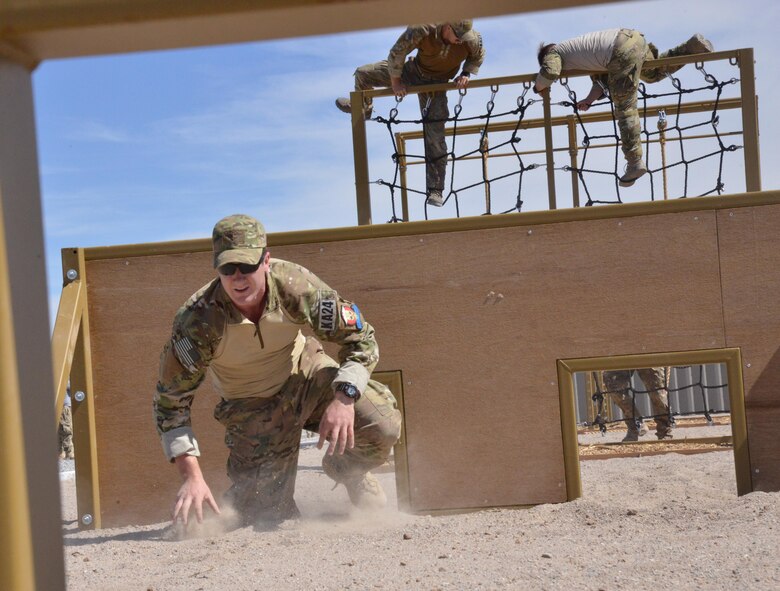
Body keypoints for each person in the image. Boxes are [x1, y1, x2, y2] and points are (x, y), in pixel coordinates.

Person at [154, 214, 402, 526]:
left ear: (266, 261)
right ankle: (246, 495)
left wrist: (344, 398)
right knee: (264, 514)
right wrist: (191, 476)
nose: (238, 278)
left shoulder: (295, 287)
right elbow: (170, 403)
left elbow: (360, 338)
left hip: (307, 377)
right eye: (228, 269)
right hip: (252, 408)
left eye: (247, 266)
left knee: (383, 424)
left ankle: (346, 469)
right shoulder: (198, 321)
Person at [534, 29, 714, 187]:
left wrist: (538, 88)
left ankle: (635, 163)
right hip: (633, 40)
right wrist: (589, 100)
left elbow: (550, 71)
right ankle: (691, 47)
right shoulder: (581, 52)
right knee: (652, 73)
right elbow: (601, 81)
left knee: (625, 108)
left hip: (618, 52)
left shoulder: (555, 53)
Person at [335, 20, 485, 207]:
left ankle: (435, 191)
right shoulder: (423, 29)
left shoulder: (471, 40)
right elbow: (397, 52)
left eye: (464, 38)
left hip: (437, 84)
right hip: (413, 72)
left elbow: (477, 56)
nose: (460, 41)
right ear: (447, 27)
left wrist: (466, 74)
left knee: (435, 136)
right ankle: (364, 108)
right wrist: (396, 82)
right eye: (457, 37)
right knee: (363, 73)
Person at [602, 367, 673, 442]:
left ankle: (664, 430)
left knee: (658, 393)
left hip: (648, 356)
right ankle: (635, 425)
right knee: (613, 385)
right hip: (621, 356)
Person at [58, 388, 74, 460]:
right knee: (66, 429)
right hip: (63, 405)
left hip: (63, 404)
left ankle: (62, 452)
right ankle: (68, 452)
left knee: (63, 429)